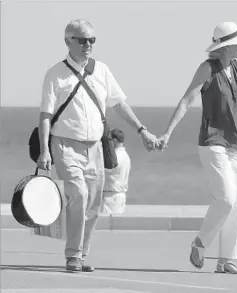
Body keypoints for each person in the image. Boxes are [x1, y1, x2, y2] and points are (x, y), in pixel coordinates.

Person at [37, 19, 159, 272]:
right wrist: (44, 150)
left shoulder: (101, 70)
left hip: (95, 147)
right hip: (65, 145)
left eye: (92, 40)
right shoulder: (55, 74)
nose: (88, 45)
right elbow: (46, 115)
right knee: (79, 195)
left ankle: (80, 254)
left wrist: (141, 129)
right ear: (68, 41)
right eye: (82, 40)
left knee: (93, 205)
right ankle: (72, 254)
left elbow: (119, 104)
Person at [158, 22, 237, 274]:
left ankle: (226, 260)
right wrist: (168, 132)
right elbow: (186, 100)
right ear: (225, 47)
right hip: (214, 142)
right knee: (225, 198)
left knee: (236, 204)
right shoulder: (207, 68)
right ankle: (200, 242)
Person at [102, 128, 131, 214]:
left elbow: (104, 170)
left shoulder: (116, 157)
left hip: (111, 196)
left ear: (114, 140)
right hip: (118, 195)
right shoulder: (125, 156)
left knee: (105, 225)